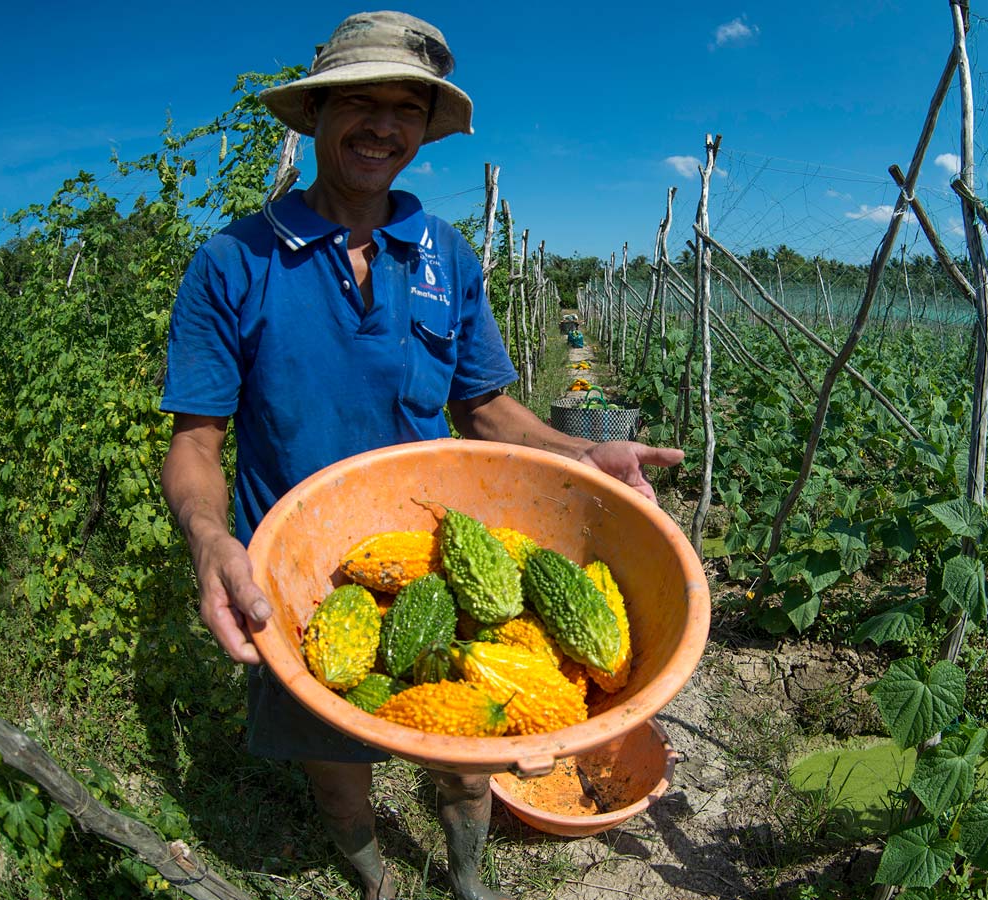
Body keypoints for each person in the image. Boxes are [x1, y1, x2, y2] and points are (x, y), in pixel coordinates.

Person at [158, 11, 683, 900]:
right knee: (335, 764)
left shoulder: (444, 253)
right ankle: (371, 880)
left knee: (469, 751)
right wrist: (212, 542)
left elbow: (485, 408)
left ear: (423, 131)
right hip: (295, 573)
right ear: (315, 115)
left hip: (434, 555)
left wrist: (582, 456)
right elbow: (196, 443)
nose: (382, 125)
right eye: (358, 102)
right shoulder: (233, 263)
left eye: (406, 109)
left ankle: (466, 878)